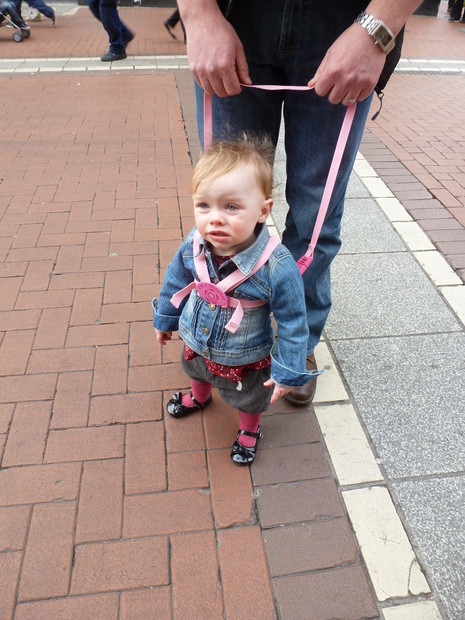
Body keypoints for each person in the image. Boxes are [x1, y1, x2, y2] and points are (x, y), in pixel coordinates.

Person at [176, 0, 423, 406]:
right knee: (225, 204)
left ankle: (295, 344)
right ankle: (223, 327)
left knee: (315, 219)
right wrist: (198, 15)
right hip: (237, 13)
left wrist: (378, 27)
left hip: (344, 20)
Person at [153, 139, 316, 465]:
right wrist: (166, 318)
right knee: (195, 368)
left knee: (251, 395)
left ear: (263, 211)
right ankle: (199, 397)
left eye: (231, 207)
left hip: (245, 353)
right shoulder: (195, 241)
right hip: (197, 336)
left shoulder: (277, 265)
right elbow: (176, 277)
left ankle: (249, 429)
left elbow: (293, 321)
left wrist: (287, 368)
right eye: (204, 205)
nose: (215, 219)